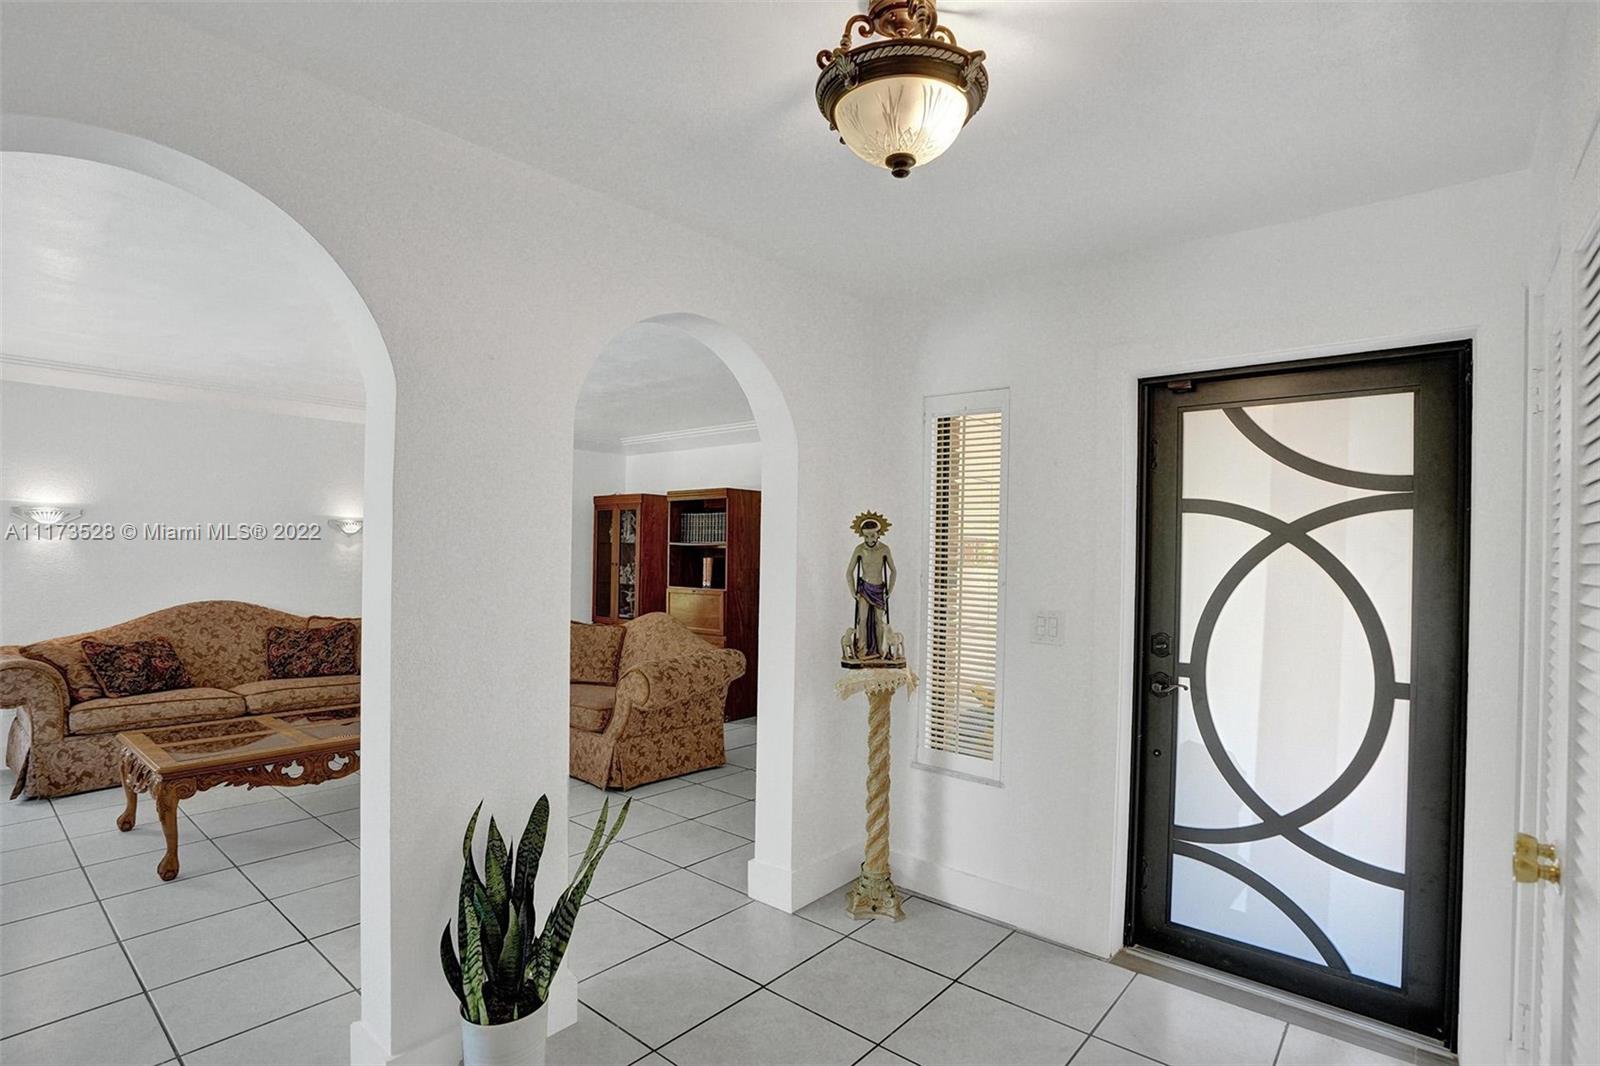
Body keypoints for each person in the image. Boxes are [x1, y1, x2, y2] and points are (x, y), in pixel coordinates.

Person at [844, 511, 898, 663]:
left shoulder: (884, 549)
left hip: (879, 589)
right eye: (866, 536)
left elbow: (893, 571)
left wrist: (890, 590)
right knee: (863, 619)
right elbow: (849, 572)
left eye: (872, 536)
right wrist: (852, 591)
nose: (869, 540)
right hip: (864, 589)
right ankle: (862, 649)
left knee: (879, 622)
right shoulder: (859, 549)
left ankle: (882, 650)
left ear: (878, 534)